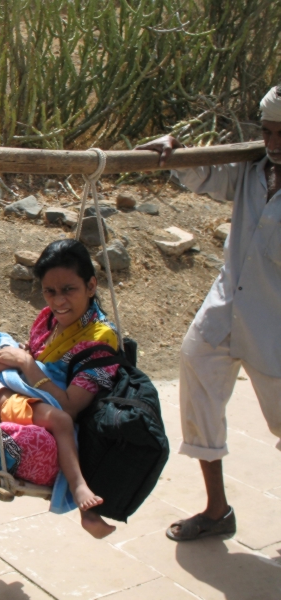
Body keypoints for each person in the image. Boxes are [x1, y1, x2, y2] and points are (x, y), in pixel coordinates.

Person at [135, 85, 281, 542]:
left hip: (275, 326)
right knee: (196, 369)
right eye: (267, 131)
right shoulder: (253, 171)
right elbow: (204, 175)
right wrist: (174, 152)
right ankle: (217, 510)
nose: (273, 142)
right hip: (228, 305)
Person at [0, 239, 121, 538]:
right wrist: (24, 361)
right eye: (50, 291)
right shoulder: (49, 320)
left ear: (91, 286)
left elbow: (70, 406)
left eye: (69, 289)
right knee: (56, 419)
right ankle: (80, 494)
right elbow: (38, 362)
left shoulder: (100, 340)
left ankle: (82, 496)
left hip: (25, 389)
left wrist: (27, 364)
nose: (58, 301)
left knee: (61, 419)